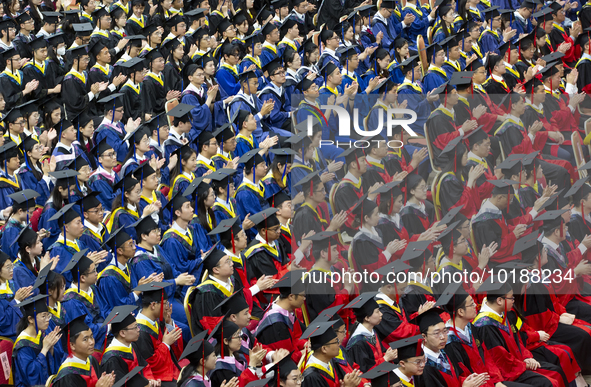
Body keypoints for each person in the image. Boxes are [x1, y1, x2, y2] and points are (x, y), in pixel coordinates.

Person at [134, 282, 184, 387]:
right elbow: (150, 364)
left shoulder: (156, 321)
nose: (167, 307)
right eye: (165, 303)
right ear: (153, 305)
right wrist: (165, 344)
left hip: (168, 367)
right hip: (155, 378)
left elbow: (175, 348)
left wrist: (168, 323)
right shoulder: (139, 332)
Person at [52, 315, 114, 387]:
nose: (92, 342)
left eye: (91, 337)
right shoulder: (68, 375)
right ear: (72, 345)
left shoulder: (91, 360)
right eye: (85, 339)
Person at [100, 305, 155, 387]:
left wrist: (151, 381)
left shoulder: (132, 346)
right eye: (135, 327)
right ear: (122, 333)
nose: (138, 330)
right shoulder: (112, 359)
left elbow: (144, 367)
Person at [12, 294, 60, 387]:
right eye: (43, 316)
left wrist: (51, 348)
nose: (47, 320)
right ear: (30, 319)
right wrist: (45, 349)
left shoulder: (40, 334)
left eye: (48, 315)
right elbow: (31, 376)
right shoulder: (22, 345)